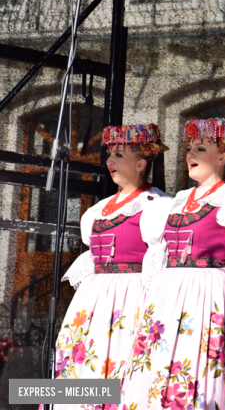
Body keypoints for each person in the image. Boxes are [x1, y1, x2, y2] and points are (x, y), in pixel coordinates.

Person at [121, 115, 225, 410]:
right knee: (159, 367)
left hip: (209, 295)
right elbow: (157, 254)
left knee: (198, 369)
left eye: (200, 148)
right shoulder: (175, 201)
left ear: (222, 156)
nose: (190, 155)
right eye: (189, 148)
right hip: (169, 296)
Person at [53, 124, 168, 397]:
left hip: (134, 296)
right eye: (109, 155)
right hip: (95, 299)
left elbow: (161, 261)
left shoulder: (159, 206)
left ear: (141, 163)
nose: (109, 161)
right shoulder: (97, 211)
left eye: (118, 155)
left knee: (122, 361)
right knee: (85, 363)